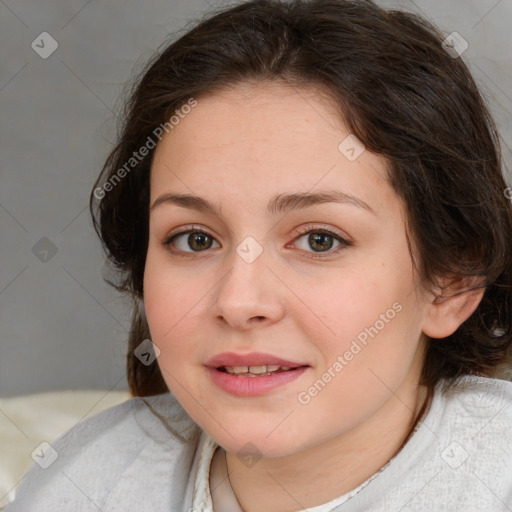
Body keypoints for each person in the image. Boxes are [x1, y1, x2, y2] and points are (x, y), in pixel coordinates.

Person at [6, 0, 512, 510]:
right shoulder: (81, 486)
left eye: (320, 240)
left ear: (452, 280)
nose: (239, 301)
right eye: (195, 239)